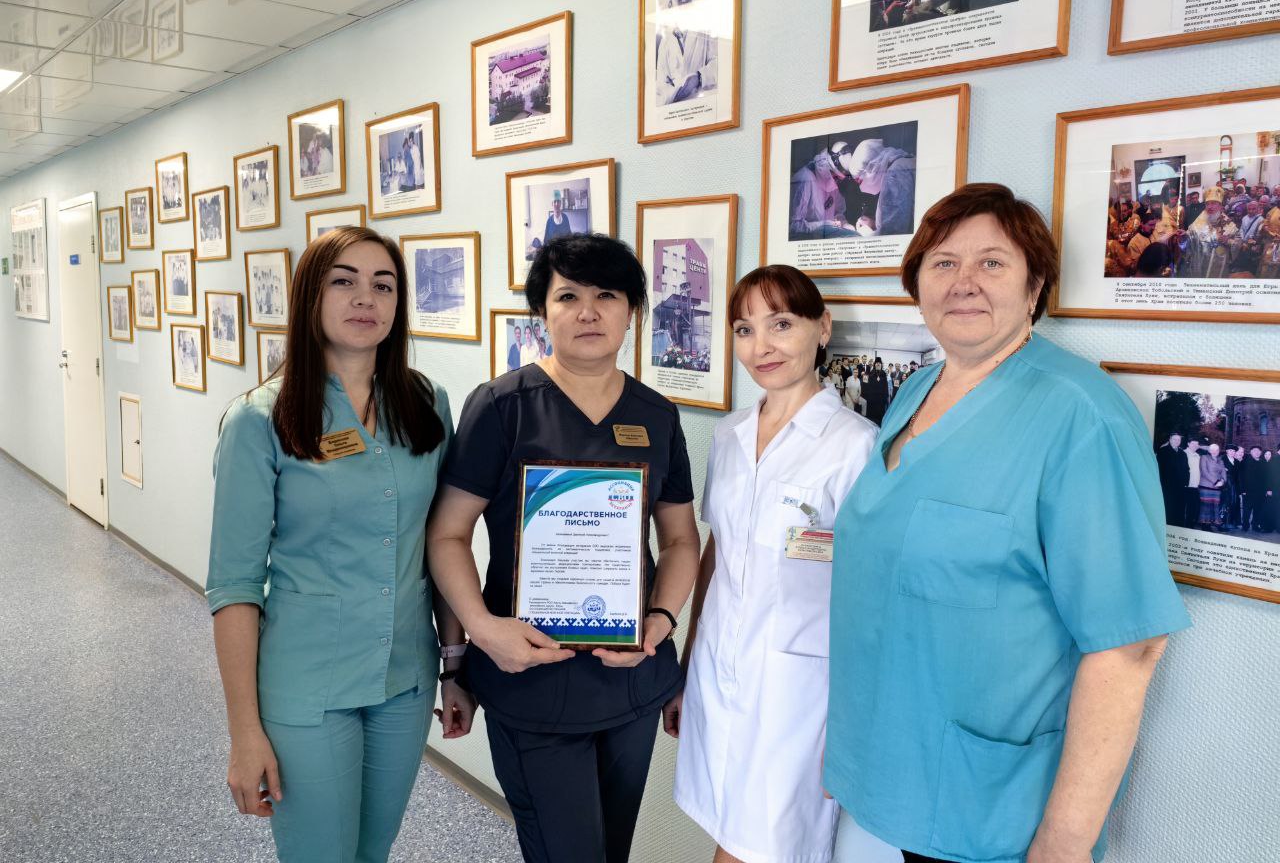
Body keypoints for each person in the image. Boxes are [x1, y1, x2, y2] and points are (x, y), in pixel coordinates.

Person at [825, 183, 1190, 863]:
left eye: (992, 262)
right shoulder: (915, 391)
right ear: (917, 286)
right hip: (900, 772)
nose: (963, 281)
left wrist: (1063, 843)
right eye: (942, 263)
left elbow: (1129, 645)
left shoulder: (1080, 415)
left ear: (1035, 286)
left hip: (996, 805)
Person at [427, 234, 702, 863]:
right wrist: (479, 634)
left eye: (607, 295)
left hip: (629, 679)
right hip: (529, 679)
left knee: (611, 849)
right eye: (568, 296)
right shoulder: (502, 407)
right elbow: (446, 534)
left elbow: (681, 540)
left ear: (632, 311)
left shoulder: (656, 415)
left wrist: (660, 623)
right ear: (542, 312)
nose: (588, 312)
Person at [206, 228, 469, 862]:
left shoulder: (426, 403)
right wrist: (244, 731)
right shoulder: (260, 419)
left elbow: (442, 543)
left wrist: (456, 665)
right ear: (310, 296)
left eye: (384, 285)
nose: (365, 298)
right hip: (308, 685)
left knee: (373, 852)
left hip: (406, 681)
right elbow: (235, 585)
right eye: (343, 281)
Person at [668, 265, 898, 863]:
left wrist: (853, 725)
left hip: (801, 692)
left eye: (781, 324)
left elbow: (872, 592)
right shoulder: (729, 435)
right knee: (725, 826)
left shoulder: (856, 445)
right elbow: (718, 553)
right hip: (720, 666)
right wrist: (689, 664)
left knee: (766, 843)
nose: (761, 346)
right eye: (744, 330)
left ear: (823, 328)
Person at [655, 0, 718, 106]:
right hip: (676, 111)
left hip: (704, 105)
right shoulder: (665, 43)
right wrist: (672, 92)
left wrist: (699, 77)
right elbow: (660, 85)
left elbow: (721, 63)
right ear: (670, 4)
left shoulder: (706, 27)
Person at [845, 139, 916, 237]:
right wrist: (874, 223)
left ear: (871, 168)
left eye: (859, 181)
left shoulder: (894, 174)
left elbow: (893, 234)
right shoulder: (903, 164)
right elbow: (902, 216)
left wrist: (869, 235)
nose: (860, 187)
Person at [1157, 432, 1189, 527]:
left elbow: (1187, 469)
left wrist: (1186, 482)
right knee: (1168, 508)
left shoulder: (1183, 454)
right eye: (1174, 439)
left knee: (1179, 509)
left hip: (1180, 487)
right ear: (1170, 440)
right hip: (1167, 486)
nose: (1177, 441)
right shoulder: (1163, 451)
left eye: (1178, 440)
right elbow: (1159, 468)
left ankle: (1178, 528)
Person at [1197, 443, 1227, 529]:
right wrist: (1216, 481)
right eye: (1212, 450)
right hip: (1206, 486)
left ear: (1219, 451)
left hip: (1217, 487)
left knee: (1215, 506)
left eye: (1216, 450)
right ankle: (1205, 525)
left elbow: (1223, 472)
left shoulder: (1220, 460)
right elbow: (1204, 472)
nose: (1214, 452)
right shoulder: (1204, 457)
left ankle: (1215, 523)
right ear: (1209, 450)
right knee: (1206, 506)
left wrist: (1223, 481)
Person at [862, 357, 890, 426]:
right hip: (872, 400)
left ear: (881, 365)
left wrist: (885, 397)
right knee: (871, 418)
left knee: (880, 417)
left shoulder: (883, 374)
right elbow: (866, 385)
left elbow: (886, 387)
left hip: (881, 401)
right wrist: (868, 397)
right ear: (874, 364)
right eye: (877, 363)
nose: (878, 364)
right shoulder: (870, 373)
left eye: (879, 363)